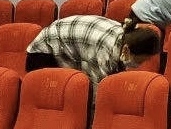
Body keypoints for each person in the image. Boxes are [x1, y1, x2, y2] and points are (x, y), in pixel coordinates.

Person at [24, 14, 161, 88]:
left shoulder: (126, 36)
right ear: (126, 50)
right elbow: (96, 88)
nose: (140, 64)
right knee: (57, 93)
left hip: (68, 42)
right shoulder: (104, 51)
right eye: (140, 60)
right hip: (44, 51)